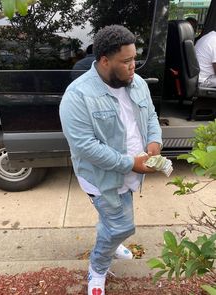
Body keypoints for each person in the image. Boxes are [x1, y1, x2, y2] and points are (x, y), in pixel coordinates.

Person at [60, 25, 162, 295]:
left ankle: (112, 242)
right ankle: (97, 268)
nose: (133, 67)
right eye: (126, 61)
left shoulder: (137, 82)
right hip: (101, 177)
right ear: (104, 60)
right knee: (123, 225)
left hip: (133, 170)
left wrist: (154, 141)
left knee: (113, 222)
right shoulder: (77, 96)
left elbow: (150, 116)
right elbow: (84, 147)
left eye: (134, 59)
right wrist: (131, 163)